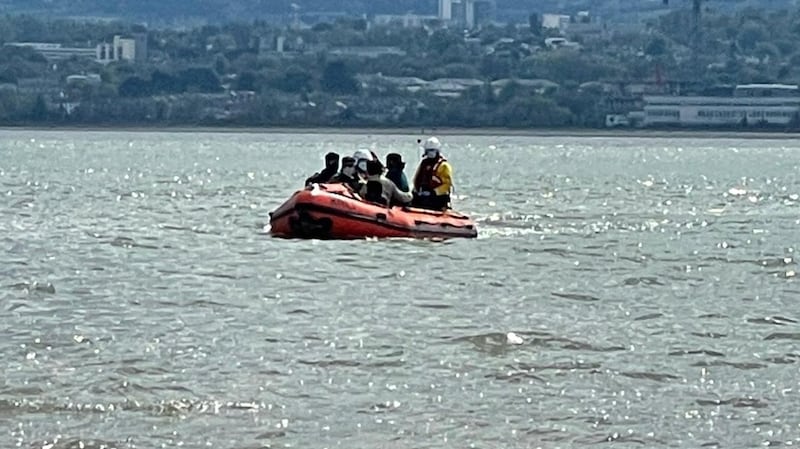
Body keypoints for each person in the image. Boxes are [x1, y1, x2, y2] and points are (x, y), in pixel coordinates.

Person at [412, 137, 453, 211]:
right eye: (428, 150)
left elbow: (447, 185)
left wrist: (433, 192)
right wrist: (417, 191)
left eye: (432, 150)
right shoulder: (424, 164)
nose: (430, 153)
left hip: (437, 198)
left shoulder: (444, 166)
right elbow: (417, 179)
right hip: (422, 195)